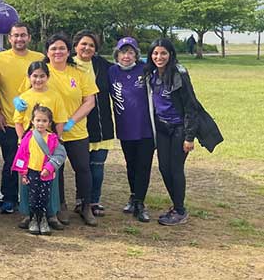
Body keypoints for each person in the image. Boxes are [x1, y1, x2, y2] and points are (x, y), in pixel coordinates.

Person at [144, 38, 221, 226]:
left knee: (176, 169)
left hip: (179, 129)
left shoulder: (179, 74)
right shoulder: (151, 74)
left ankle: (179, 210)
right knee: (164, 168)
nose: (159, 57)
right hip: (162, 128)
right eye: (155, 53)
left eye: (163, 53)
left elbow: (191, 107)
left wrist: (189, 137)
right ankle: (177, 204)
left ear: (171, 54)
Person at [36, 33, 98, 226]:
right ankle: (60, 205)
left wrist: (71, 121)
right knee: (56, 170)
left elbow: (89, 101)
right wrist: (18, 102)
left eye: (62, 48)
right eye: (53, 48)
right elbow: (28, 93)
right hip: (51, 133)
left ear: (69, 51)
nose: (58, 52)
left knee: (83, 168)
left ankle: (85, 205)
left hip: (76, 131)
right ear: (47, 52)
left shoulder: (78, 73)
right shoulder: (42, 72)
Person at [0, 22, 44, 214]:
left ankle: (34, 197)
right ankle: (9, 198)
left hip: (37, 124)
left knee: (36, 163)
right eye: (16, 35)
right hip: (9, 121)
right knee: (12, 162)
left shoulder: (40, 58)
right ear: (9, 38)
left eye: (23, 35)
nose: (19, 39)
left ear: (29, 37)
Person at [12, 61, 68, 230]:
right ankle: (28, 214)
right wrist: (22, 140)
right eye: (34, 76)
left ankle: (51, 214)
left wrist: (56, 141)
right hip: (29, 146)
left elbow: (60, 120)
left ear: (48, 77)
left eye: (42, 76)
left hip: (48, 146)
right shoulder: (24, 97)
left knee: (49, 181)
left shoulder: (55, 96)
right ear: (29, 77)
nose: (38, 79)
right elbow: (18, 121)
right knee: (27, 180)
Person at [108, 37, 154, 223]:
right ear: (117, 54)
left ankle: (140, 203)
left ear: (136, 55)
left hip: (145, 128)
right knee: (131, 164)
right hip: (125, 128)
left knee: (143, 166)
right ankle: (134, 196)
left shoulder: (145, 69)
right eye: (122, 52)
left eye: (130, 52)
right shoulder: (111, 71)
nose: (126, 56)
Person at [72, 30, 114, 217]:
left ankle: (93, 201)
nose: (87, 48)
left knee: (97, 167)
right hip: (74, 124)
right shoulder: (67, 64)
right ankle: (80, 200)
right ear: (75, 46)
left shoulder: (104, 66)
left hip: (100, 123)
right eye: (83, 44)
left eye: (91, 45)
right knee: (82, 167)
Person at [11, 105, 67, 236]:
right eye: (38, 120)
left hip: (46, 174)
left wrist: (49, 168)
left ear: (49, 123)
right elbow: (21, 156)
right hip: (31, 173)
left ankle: (43, 220)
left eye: (44, 121)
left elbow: (60, 154)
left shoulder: (53, 138)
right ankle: (33, 220)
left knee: (44, 197)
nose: (41, 123)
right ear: (32, 121)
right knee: (32, 198)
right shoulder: (28, 137)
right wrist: (23, 173)